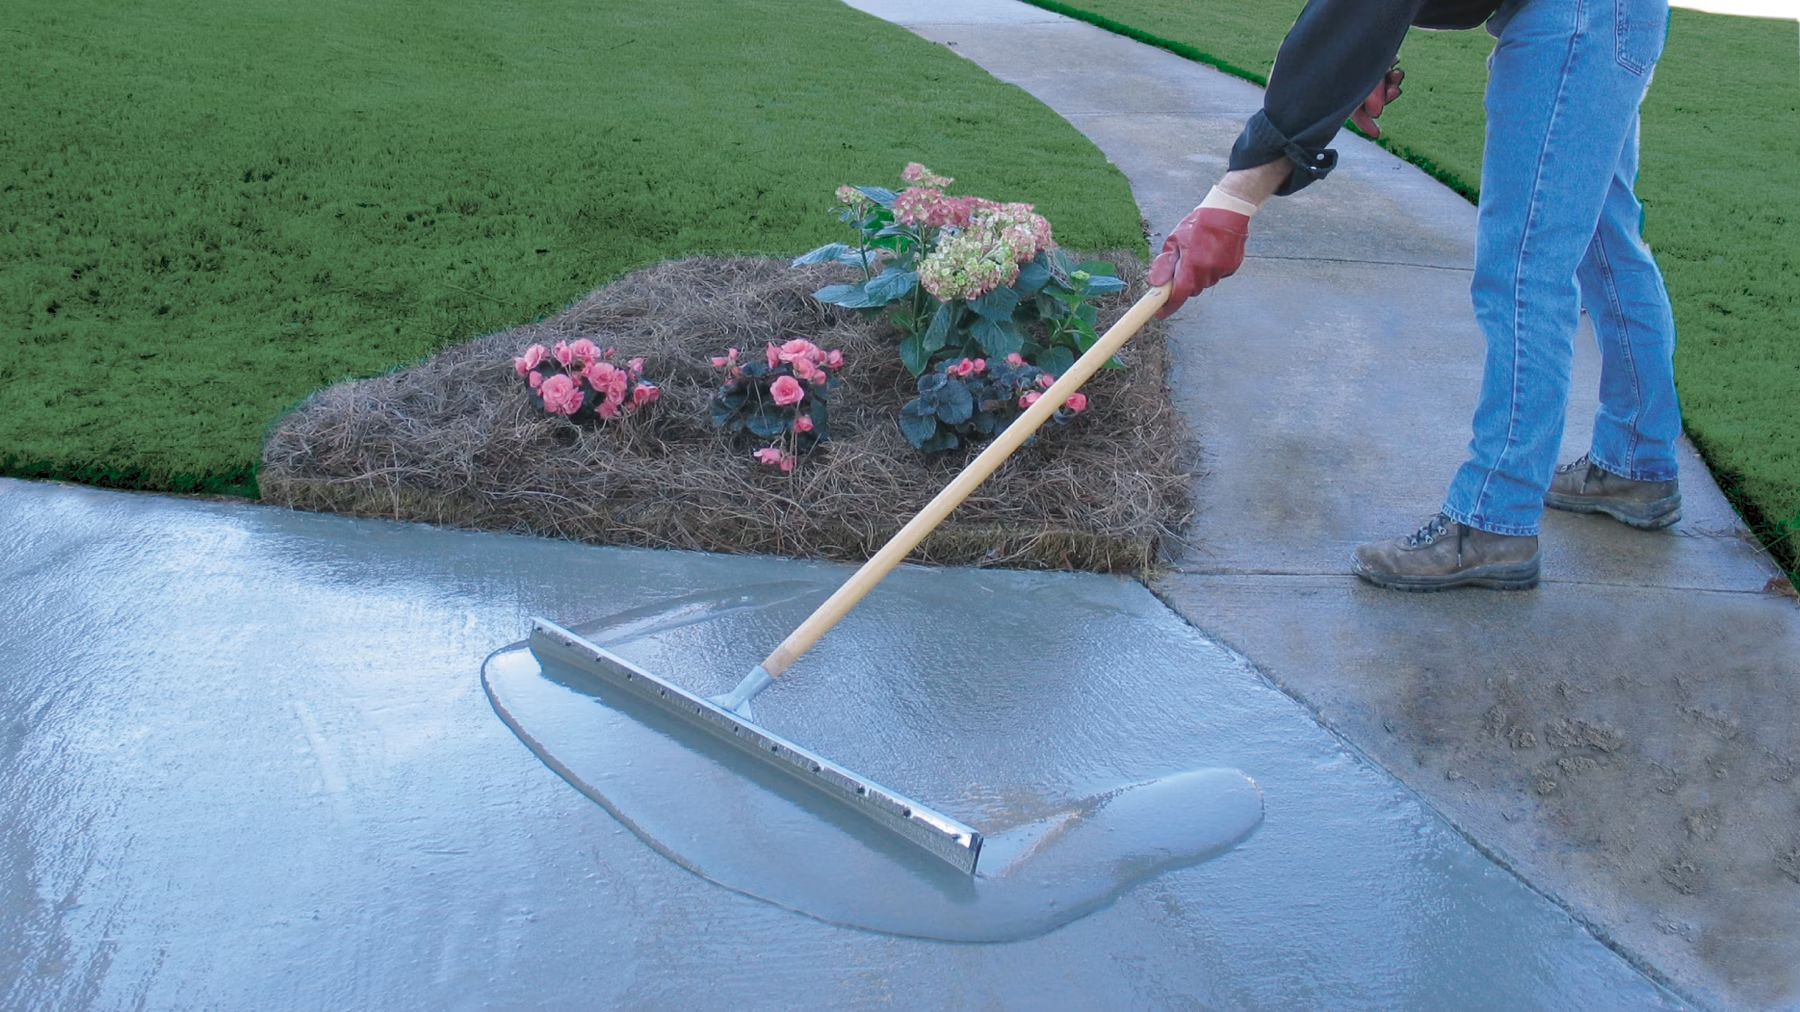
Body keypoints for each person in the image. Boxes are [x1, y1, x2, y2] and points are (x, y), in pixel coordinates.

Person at [1150, 0, 1683, 591]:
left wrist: (1235, 198)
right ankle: (1636, 462)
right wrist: (1362, 55)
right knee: (1605, 243)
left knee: (1525, 267)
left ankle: (1493, 520)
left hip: (1575, 20)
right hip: (1611, 17)